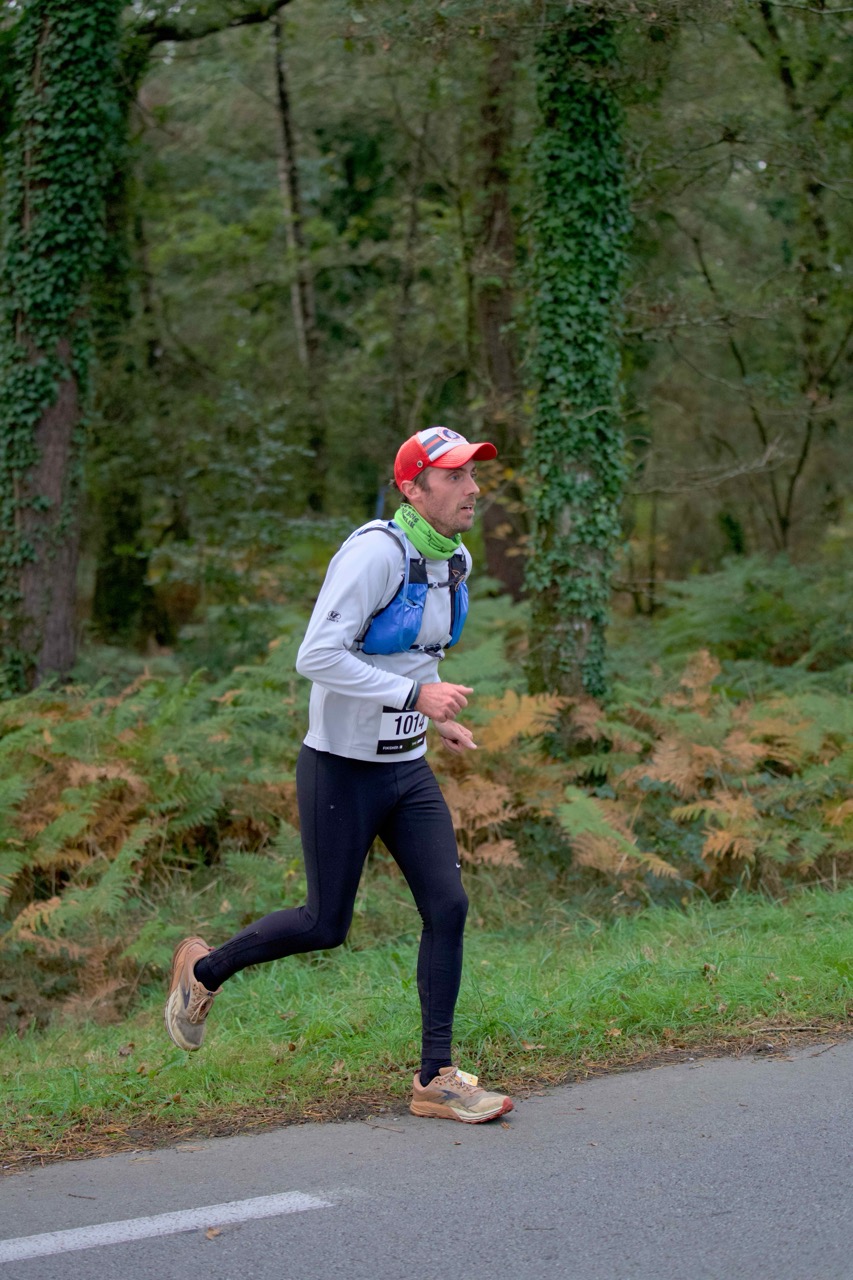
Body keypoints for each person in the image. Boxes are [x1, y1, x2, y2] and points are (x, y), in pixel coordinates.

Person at [165, 427, 514, 1125]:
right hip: (341, 770)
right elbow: (316, 656)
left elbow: (417, 652)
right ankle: (202, 972)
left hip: (407, 767)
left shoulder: (453, 559)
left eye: (473, 475)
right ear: (412, 488)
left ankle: (435, 1078)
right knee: (325, 924)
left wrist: (433, 714)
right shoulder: (373, 554)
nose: (472, 488)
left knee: (447, 907)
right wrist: (413, 696)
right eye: (454, 476)